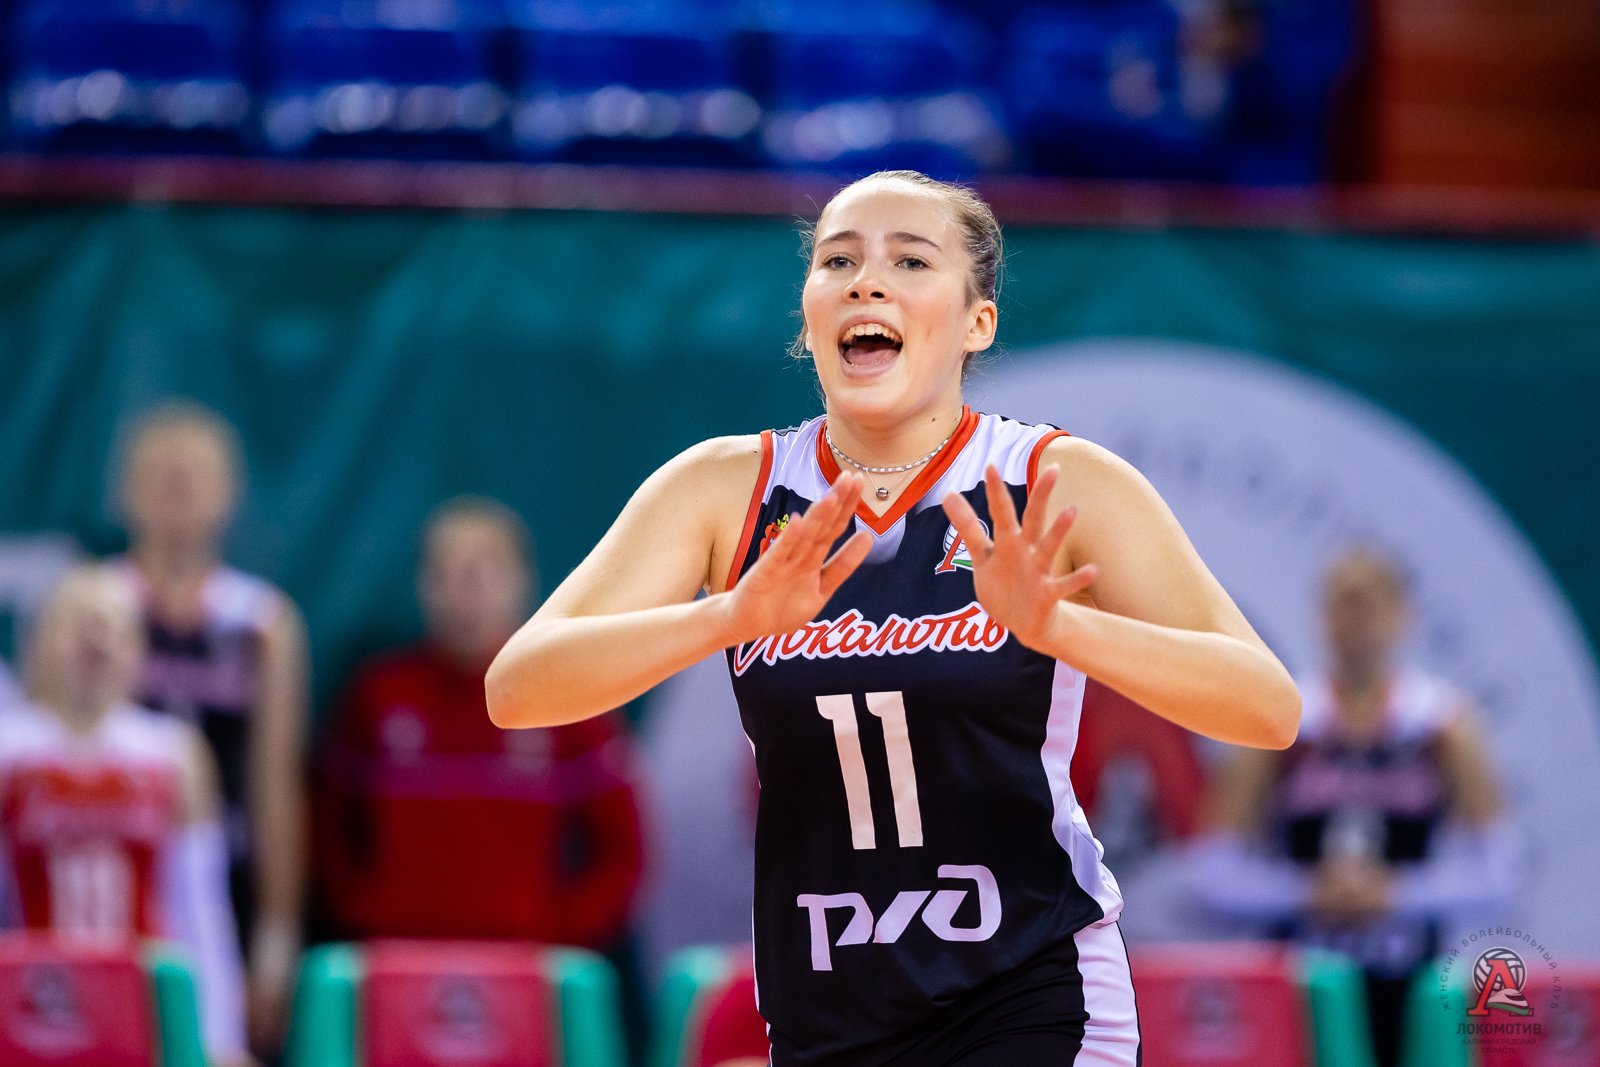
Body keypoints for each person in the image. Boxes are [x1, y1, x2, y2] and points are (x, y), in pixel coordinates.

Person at [486, 170, 1300, 1066]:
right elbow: (518, 689)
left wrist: (1064, 630)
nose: (867, 282)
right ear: (809, 318)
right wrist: (728, 616)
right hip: (826, 1005)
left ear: (976, 323)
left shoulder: (1054, 479)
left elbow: (1267, 707)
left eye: (910, 261)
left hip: (1030, 987)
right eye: (839, 261)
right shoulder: (723, 488)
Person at [1186, 547, 1514, 1067]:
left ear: (1404, 615)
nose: (1358, 621)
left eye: (1372, 604)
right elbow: (1211, 873)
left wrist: (1395, 895)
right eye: (1344, 604)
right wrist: (1306, 892)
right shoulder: (1282, 724)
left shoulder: (1443, 728)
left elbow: (1499, 873)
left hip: (1416, 986)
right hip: (1303, 987)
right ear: (1321, 616)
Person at [313, 497, 644, 947]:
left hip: (525, 966)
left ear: (523, 581)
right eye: (445, 575)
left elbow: (621, 853)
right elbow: (326, 829)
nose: (466, 593)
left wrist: (555, 937)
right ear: (422, 586)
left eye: (484, 572)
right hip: (398, 959)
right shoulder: (377, 696)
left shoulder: (571, 699)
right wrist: (367, 914)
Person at [106, 401, 308, 1053]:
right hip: (111, 880)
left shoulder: (260, 621)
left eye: (195, 474)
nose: (178, 489)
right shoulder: (92, 606)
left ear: (229, 494)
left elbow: (275, 787)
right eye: (161, 474)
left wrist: (275, 940)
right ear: (124, 492)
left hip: (222, 886)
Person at [0, 566, 250, 1067]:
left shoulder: (172, 754)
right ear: (38, 645)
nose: (95, 639)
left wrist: (220, 1037)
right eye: (78, 624)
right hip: (35, 1006)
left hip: (143, 1006)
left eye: (111, 626)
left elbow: (200, 908)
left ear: (138, 651)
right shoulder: (10, 753)